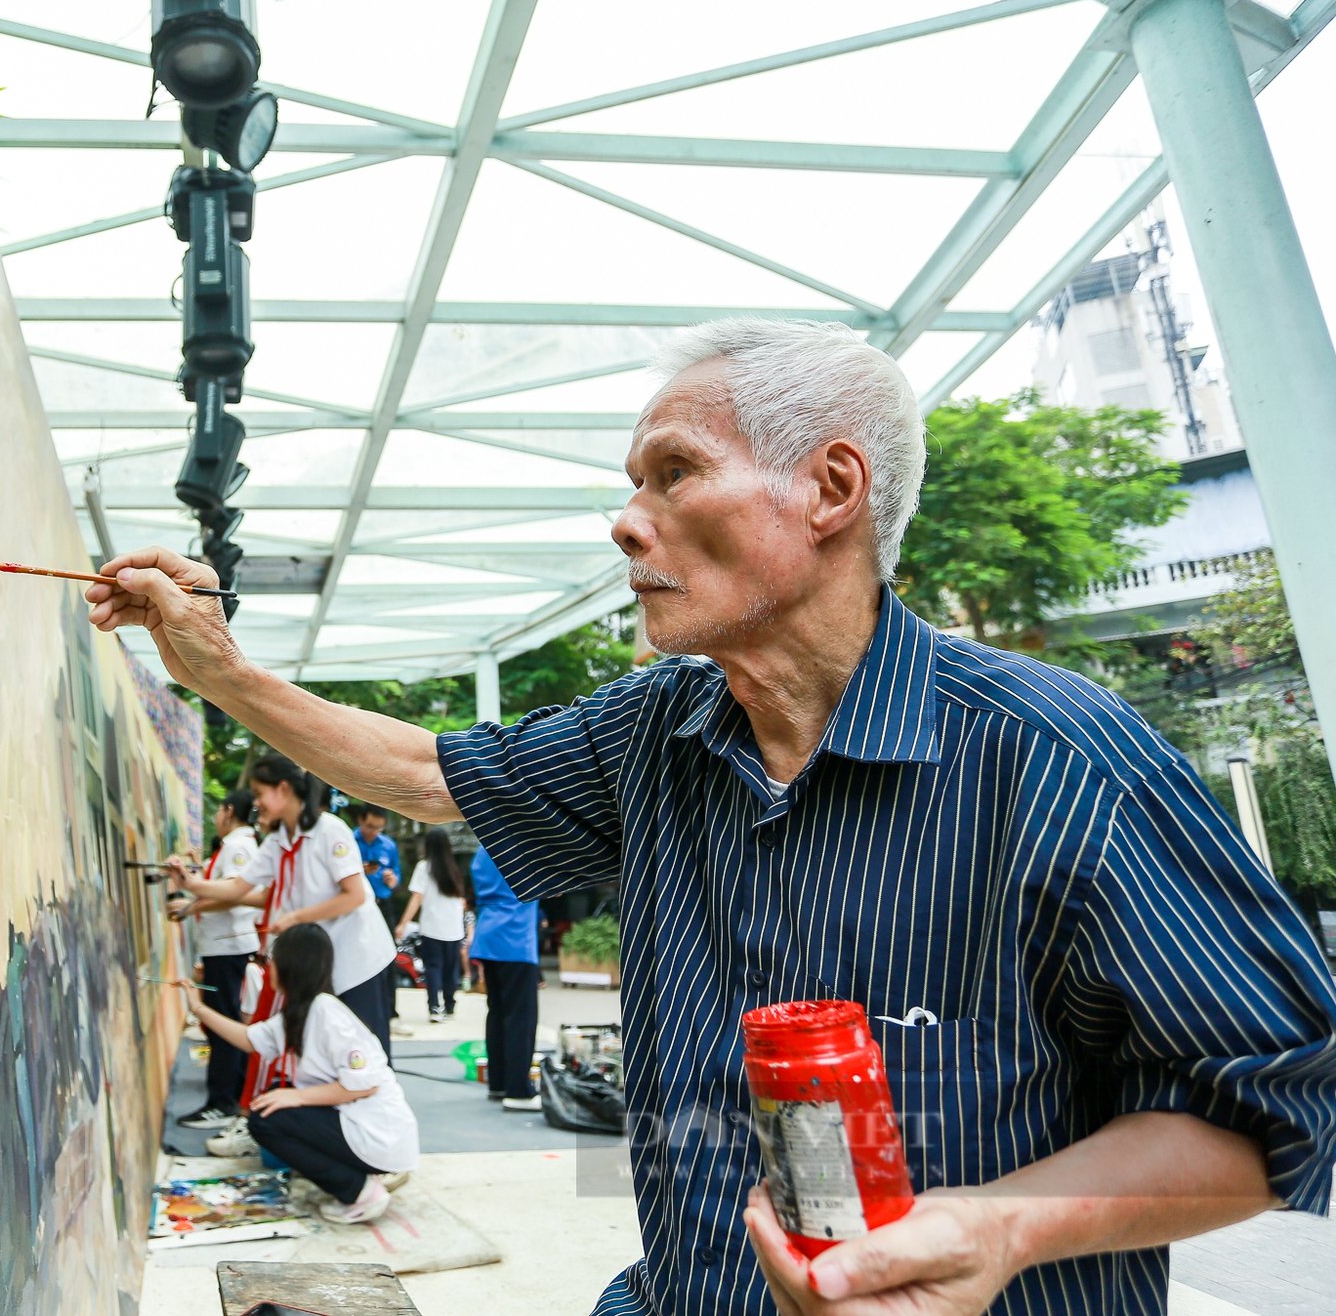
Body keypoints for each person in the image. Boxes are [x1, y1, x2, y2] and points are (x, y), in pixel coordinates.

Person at [84, 315, 1336, 1316]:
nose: (625, 519)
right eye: (631, 482)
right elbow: (426, 771)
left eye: (673, 473)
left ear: (829, 487)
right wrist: (220, 672)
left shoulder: (1057, 759)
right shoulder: (655, 729)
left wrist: (996, 1228)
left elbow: (1270, 1110)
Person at [177, 923, 419, 1225]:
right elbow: (249, 1039)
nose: (268, 970)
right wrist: (197, 1008)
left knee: (267, 1120)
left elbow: (363, 1085)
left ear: (290, 966)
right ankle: (356, 1179)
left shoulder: (326, 1013)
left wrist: (297, 1096)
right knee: (272, 1107)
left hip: (377, 1133)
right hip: (358, 1125)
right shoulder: (301, 1012)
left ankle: (361, 1192)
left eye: (272, 962)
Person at [170, 753, 397, 1053]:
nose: (256, 804)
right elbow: (240, 887)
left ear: (284, 789)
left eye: (259, 794)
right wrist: (190, 884)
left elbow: (354, 896)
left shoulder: (329, 830)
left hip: (358, 960)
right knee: (329, 1050)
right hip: (321, 964)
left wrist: (295, 918)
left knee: (366, 1052)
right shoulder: (278, 841)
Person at [171, 790, 262, 1130]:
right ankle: (230, 1096)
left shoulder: (239, 846)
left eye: (218, 811)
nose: (214, 818)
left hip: (229, 946)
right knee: (224, 1022)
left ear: (228, 811)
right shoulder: (235, 845)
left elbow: (235, 895)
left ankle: (222, 1102)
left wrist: (189, 905)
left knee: (223, 1025)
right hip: (223, 946)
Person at [466, 845, 541, 1110]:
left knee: (497, 1014)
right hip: (516, 936)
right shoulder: (522, 845)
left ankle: (498, 1083)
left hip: (489, 933)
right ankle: (518, 1091)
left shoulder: (482, 850)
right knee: (521, 1018)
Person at [392, 828, 468, 1021]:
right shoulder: (454, 869)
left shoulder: (424, 867)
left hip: (432, 927)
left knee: (433, 967)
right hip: (454, 929)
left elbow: (417, 898)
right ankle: (450, 1004)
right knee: (451, 968)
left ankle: (435, 1007)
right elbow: (461, 901)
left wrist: (403, 923)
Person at [352, 804, 411, 1037]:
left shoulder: (388, 845)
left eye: (377, 828)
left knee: (388, 958)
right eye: (369, 826)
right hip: (356, 905)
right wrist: (360, 871)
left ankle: (390, 1012)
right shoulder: (347, 840)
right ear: (360, 821)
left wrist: (391, 879)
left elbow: (396, 879)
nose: (372, 832)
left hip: (383, 905)